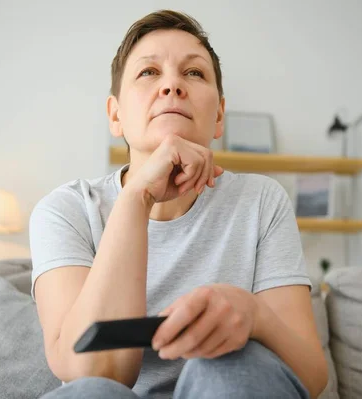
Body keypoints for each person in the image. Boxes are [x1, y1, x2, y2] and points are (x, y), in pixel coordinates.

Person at [30, 9, 328, 399]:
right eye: (148, 73)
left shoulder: (261, 201)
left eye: (194, 73)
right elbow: (96, 370)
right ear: (115, 115)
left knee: (232, 367)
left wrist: (256, 318)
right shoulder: (65, 211)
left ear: (219, 114)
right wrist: (137, 198)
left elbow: (310, 376)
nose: (172, 85)